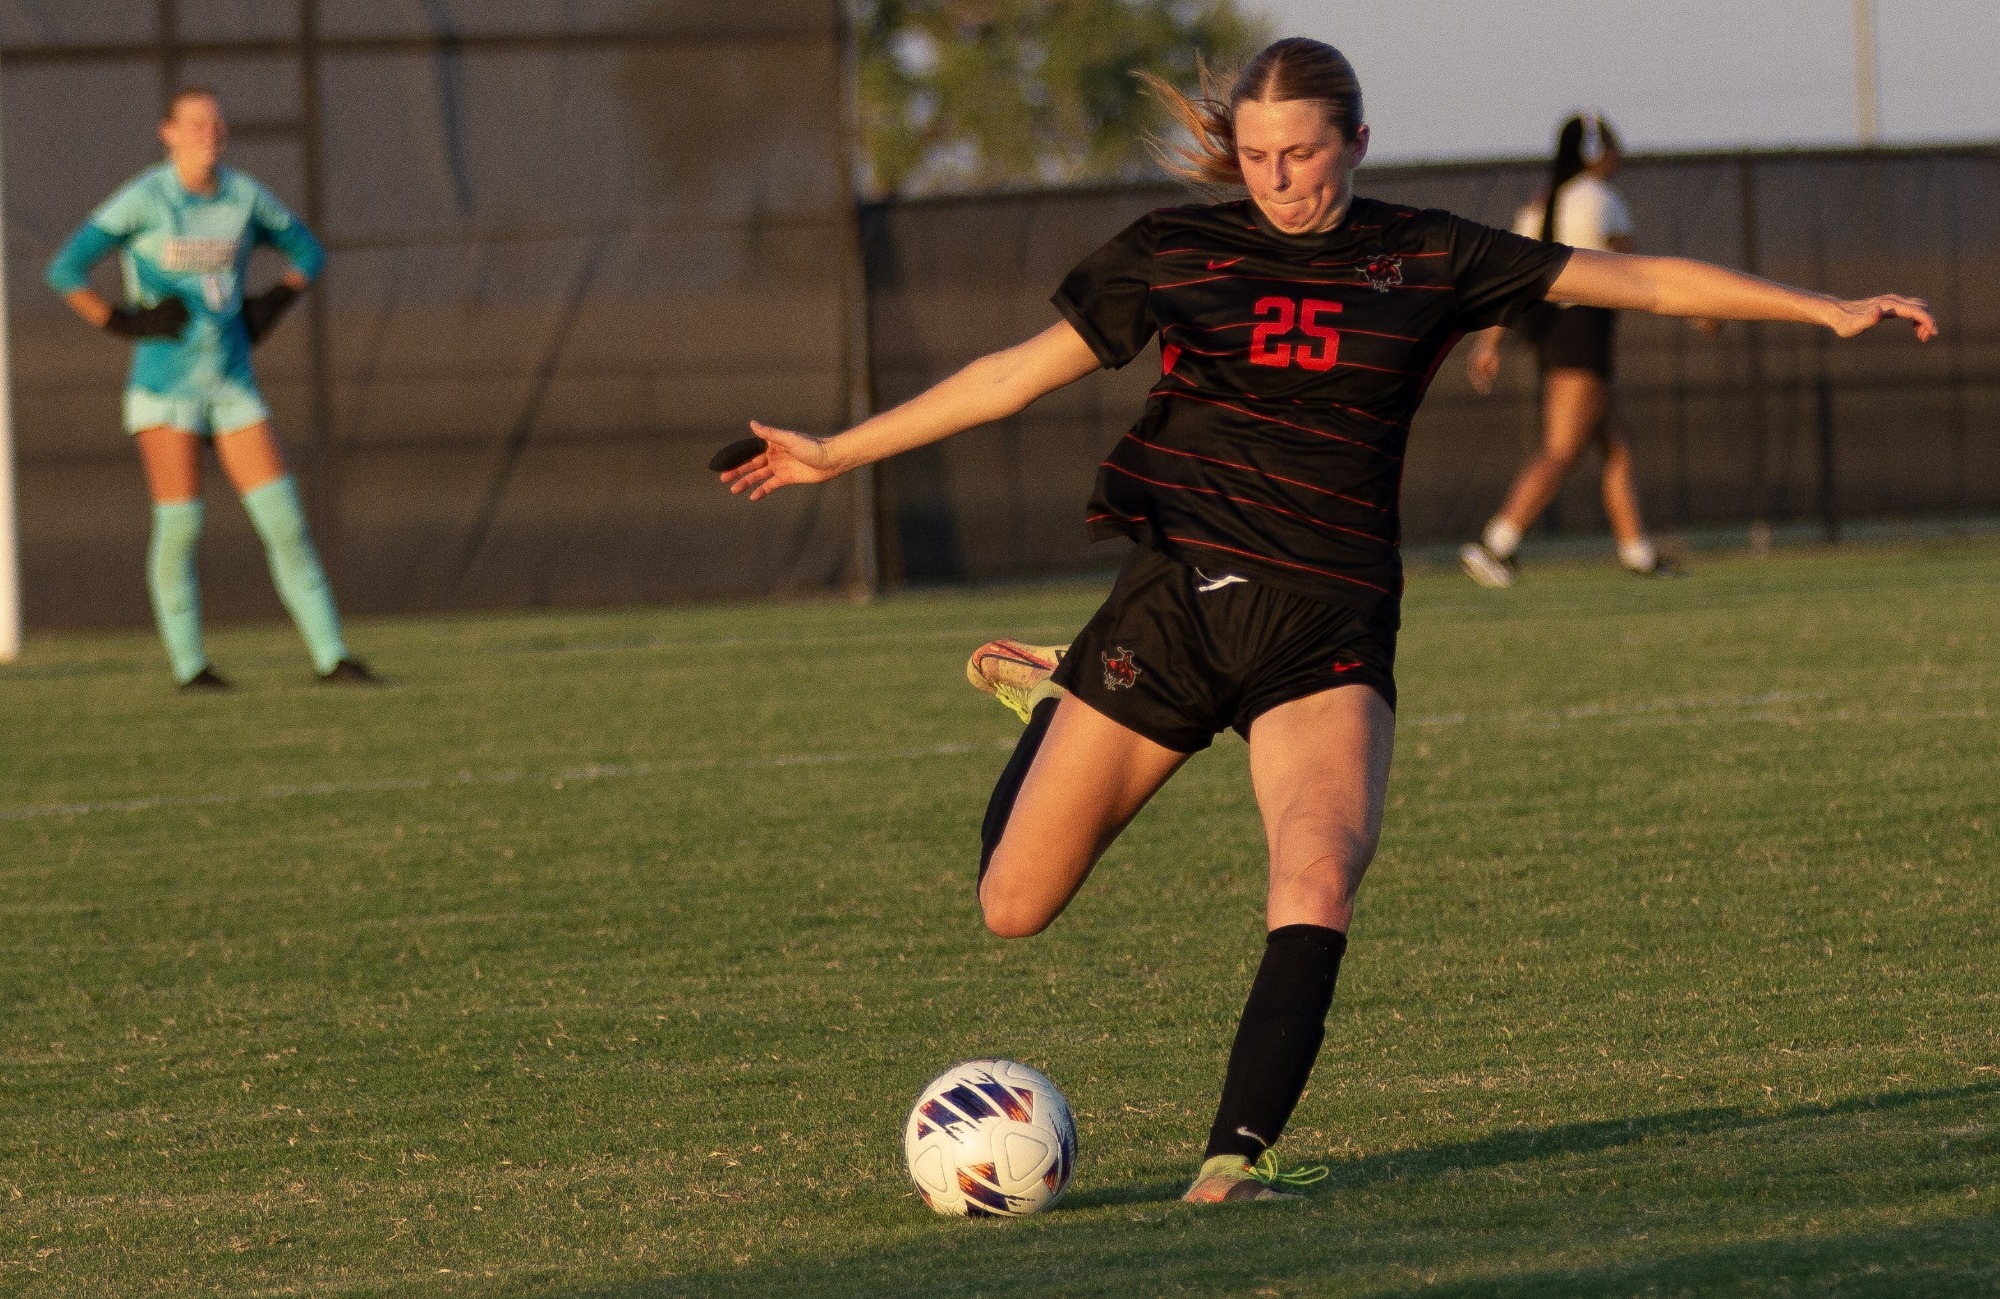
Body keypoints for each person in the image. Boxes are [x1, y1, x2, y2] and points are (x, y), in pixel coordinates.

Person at [719, 39, 1933, 1202]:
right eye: (1256, 156)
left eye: (1301, 152)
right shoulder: (1176, 250)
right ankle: (1067, 685)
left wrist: (1821, 307)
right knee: (1010, 907)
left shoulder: (1425, 255)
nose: (1279, 178)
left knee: (1318, 869)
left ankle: (1232, 1157)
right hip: (1177, 610)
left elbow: (1647, 280)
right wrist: (834, 452)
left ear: (1356, 141)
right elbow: (1006, 375)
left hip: (1328, 624)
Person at [46, 86, 373, 690]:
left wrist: (273, 301)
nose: (207, 132)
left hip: (231, 385)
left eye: (215, 122)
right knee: (182, 524)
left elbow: (307, 249)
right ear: (167, 133)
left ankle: (333, 658)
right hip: (164, 390)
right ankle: (190, 668)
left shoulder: (243, 197)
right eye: (193, 123)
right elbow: (64, 269)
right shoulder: (146, 199)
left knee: (284, 521)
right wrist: (123, 322)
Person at [1459, 113, 1685, 587]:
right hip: (1584, 330)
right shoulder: (1601, 199)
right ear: (1595, 154)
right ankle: (1494, 545)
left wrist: (1490, 341)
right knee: (1562, 449)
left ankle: (1637, 552)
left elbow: (1513, 285)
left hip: (1555, 332)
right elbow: (1643, 272)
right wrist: (1701, 307)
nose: (1618, 155)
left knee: (1616, 446)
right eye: (1611, 146)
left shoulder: (1537, 207)